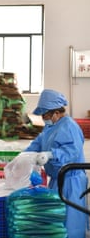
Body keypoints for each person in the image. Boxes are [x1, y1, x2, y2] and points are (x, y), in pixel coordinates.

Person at [24, 89, 88, 238]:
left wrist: (50, 154)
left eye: (45, 114)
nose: (43, 118)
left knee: (71, 222)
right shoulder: (49, 127)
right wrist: (21, 157)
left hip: (72, 181)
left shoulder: (69, 126)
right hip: (57, 180)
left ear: (56, 112)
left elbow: (71, 151)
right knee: (56, 221)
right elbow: (37, 144)